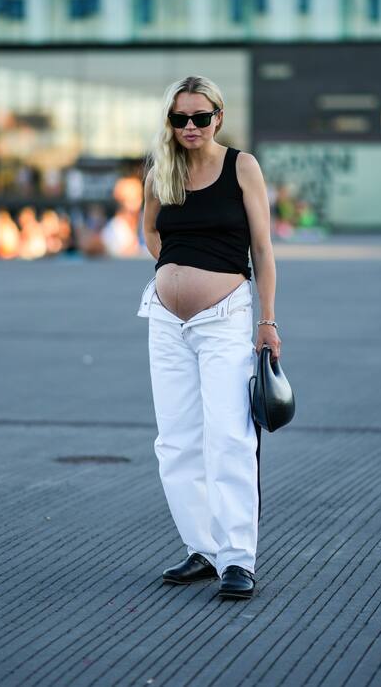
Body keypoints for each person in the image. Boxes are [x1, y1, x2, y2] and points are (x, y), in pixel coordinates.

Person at [137, 75, 280, 600]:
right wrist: (172, 269)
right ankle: (203, 548)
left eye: (200, 117)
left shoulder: (242, 166)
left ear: (218, 116)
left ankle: (238, 559)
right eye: (180, 119)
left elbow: (263, 251)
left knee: (230, 436)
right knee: (175, 441)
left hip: (225, 318)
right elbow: (149, 230)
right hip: (165, 320)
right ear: (170, 122)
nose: (190, 127)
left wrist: (267, 322)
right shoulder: (161, 169)